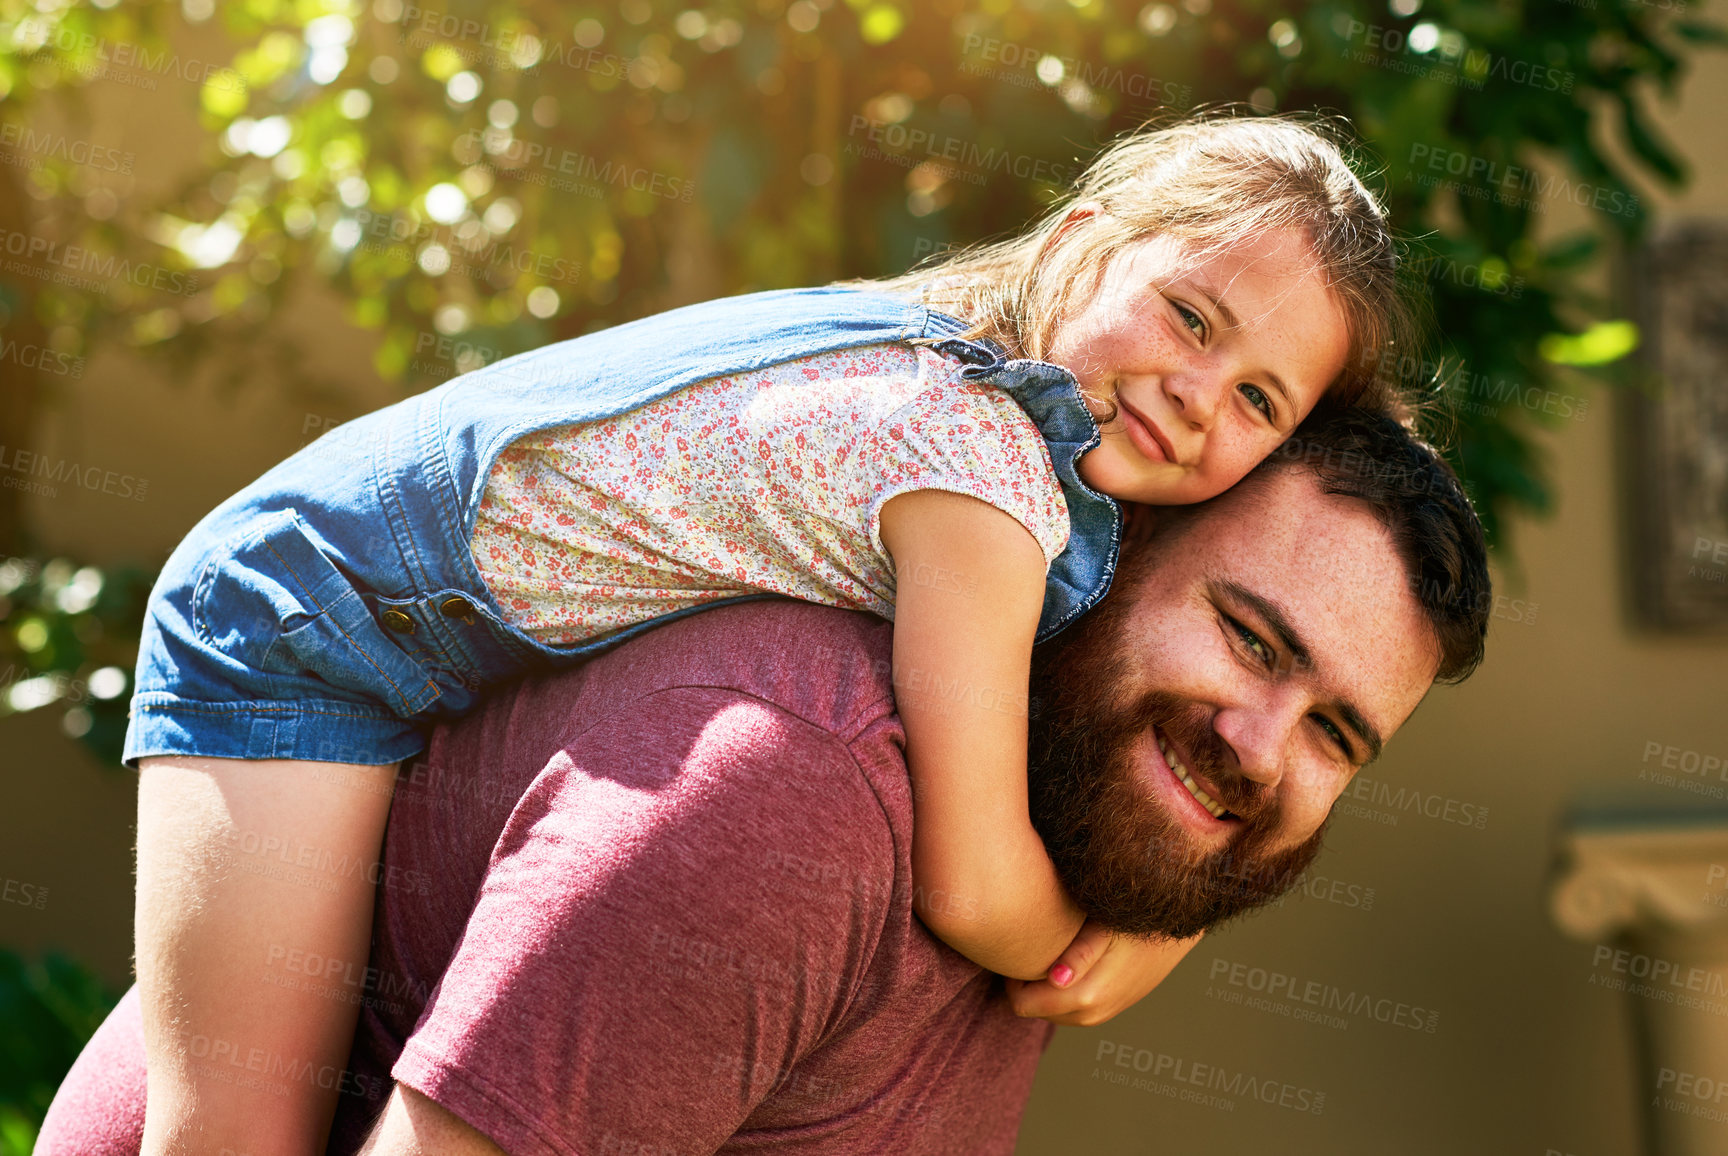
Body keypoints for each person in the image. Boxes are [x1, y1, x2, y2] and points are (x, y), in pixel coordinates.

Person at [124, 114, 1416, 1153]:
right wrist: (1118, 944)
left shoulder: (966, 370)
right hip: (303, 621)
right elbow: (970, 878)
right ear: (1081, 244)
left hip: (404, 621)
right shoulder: (981, 491)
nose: (1197, 399)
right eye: (1191, 318)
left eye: (1258, 398)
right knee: (233, 1128)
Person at [39, 408, 1491, 1155]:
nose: (1258, 748)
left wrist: (1160, 913)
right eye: (1248, 638)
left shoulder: (1053, 850)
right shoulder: (794, 799)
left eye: (1338, 737)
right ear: (1091, 553)